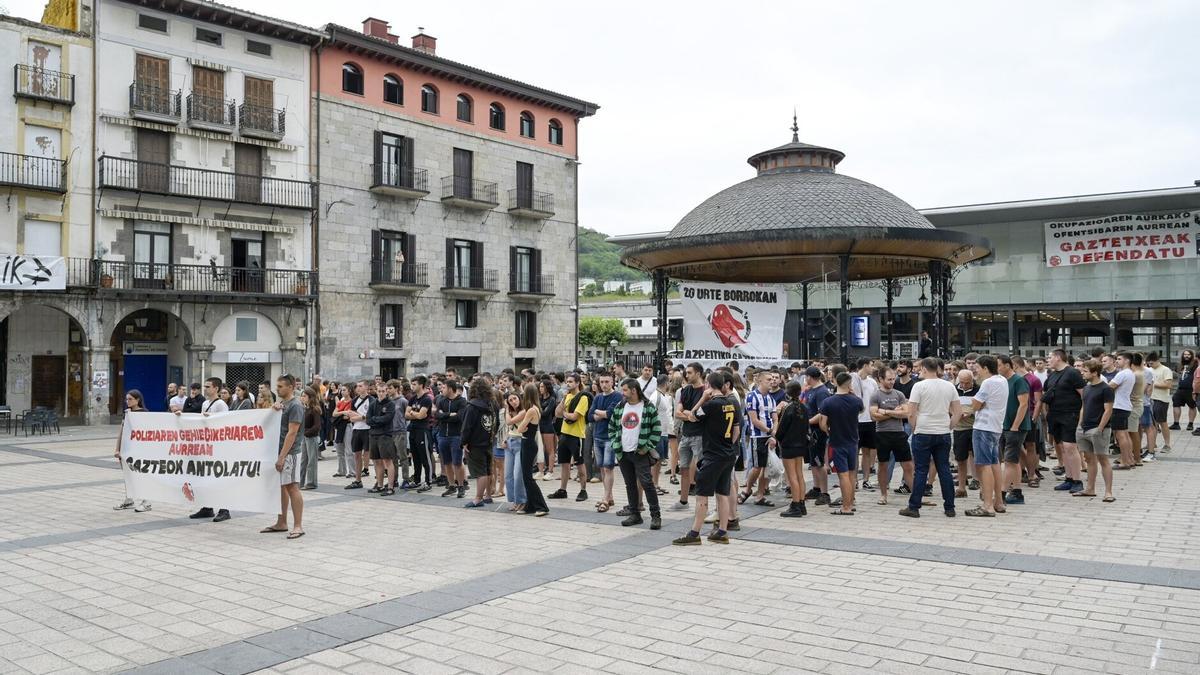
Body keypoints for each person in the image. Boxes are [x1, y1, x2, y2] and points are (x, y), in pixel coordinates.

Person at [673, 372, 742, 545]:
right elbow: (736, 430)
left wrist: (702, 399)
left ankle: (694, 533)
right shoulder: (731, 403)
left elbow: (692, 416)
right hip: (728, 453)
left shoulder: (711, 405)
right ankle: (722, 531)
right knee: (722, 493)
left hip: (712, 455)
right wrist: (728, 445)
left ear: (709, 386)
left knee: (702, 495)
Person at [900, 358, 963, 518]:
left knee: (921, 470)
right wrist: (949, 426)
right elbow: (958, 412)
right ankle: (950, 507)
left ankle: (914, 507)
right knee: (944, 469)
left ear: (924, 369)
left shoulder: (919, 386)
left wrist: (914, 428)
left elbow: (911, 412)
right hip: (942, 431)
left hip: (923, 430)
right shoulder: (949, 386)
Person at [608, 377, 662, 529]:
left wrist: (647, 447)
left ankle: (655, 515)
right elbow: (612, 427)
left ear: (634, 390)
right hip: (623, 453)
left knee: (647, 483)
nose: (622, 393)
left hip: (640, 452)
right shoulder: (620, 406)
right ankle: (635, 514)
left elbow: (657, 429)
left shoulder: (647, 407)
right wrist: (615, 444)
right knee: (629, 484)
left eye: (624, 390)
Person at [261, 374, 305, 539]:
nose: (277, 389)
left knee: (292, 486)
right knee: (283, 487)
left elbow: (292, 433)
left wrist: (282, 457)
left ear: (291, 387)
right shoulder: (283, 404)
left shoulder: (295, 405)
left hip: (290, 453)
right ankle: (282, 522)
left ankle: (298, 525)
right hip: (280, 451)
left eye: (280, 386)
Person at [185, 377, 231, 523]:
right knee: (205, 476)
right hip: (206, 445)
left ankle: (225, 509)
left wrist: (211, 419)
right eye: (205, 386)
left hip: (218, 446)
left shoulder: (221, 404)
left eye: (208, 386)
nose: (205, 389)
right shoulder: (205, 403)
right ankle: (207, 507)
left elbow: (224, 424)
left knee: (219, 477)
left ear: (216, 388)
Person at [967, 355, 1008, 517]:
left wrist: (976, 404)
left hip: (983, 426)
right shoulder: (1002, 380)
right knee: (994, 463)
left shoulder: (988, 382)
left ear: (985, 368)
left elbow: (975, 405)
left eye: (976, 367)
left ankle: (987, 505)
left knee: (984, 465)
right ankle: (998, 501)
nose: (974, 370)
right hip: (996, 426)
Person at [820, 372, 862, 515]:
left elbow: (823, 423)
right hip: (853, 441)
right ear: (850, 384)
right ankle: (850, 502)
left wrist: (829, 431)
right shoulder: (856, 401)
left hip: (837, 441)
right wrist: (853, 393)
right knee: (851, 474)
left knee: (842, 475)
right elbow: (861, 410)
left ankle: (846, 507)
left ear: (835, 382)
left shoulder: (828, 402)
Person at [1045, 348, 1086, 492]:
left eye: (1050, 357)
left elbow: (1084, 396)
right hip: (1055, 415)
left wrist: (1082, 416)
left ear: (1058, 357)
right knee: (1062, 447)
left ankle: (1077, 480)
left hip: (1070, 415)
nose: (1047, 360)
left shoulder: (1072, 373)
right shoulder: (1052, 375)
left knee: (1070, 447)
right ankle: (1068, 478)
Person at [870, 368, 911, 505]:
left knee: (908, 465)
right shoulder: (875, 395)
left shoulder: (899, 394)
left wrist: (886, 411)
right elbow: (874, 416)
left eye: (893, 379)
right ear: (881, 379)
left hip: (899, 433)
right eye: (889, 379)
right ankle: (883, 494)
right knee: (883, 465)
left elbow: (906, 413)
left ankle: (915, 494)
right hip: (882, 434)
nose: (892, 382)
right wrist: (895, 412)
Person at [1076, 360, 1116, 502]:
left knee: (1103, 459)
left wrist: (1100, 428)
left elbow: (1108, 410)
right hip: (1084, 428)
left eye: (1085, 371)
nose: (1082, 373)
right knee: (1089, 459)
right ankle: (1090, 489)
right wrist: (1080, 425)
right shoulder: (1086, 388)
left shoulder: (1106, 389)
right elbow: (1083, 407)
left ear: (1094, 372)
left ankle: (1108, 492)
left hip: (1099, 429)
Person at [995, 356, 1030, 506]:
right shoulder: (1002, 381)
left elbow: (1023, 404)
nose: (997, 368)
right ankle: (1017, 491)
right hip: (1004, 425)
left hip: (1015, 427)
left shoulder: (1019, 381)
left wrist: (1015, 425)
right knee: (1013, 461)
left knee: (1009, 461)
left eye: (999, 366)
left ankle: (1001, 494)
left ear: (1008, 366)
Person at [550, 373, 590, 502]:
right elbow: (557, 413)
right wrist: (563, 401)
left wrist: (564, 413)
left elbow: (574, 416)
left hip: (577, 435)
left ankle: (583, 490)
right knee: (564, 463)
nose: (568, 384)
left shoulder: (583, 398)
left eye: (571, 381)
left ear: (578, 383)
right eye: (567, 381)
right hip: (564, 433)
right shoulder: (567, 396)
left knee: (579, 463)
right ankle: (563, 490)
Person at [672, 363, 706, 512]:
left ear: (698, 373)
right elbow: (677, 413)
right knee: (684, 468)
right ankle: (683, 501)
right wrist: (690, 414)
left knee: (702, 470)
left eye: (690, 372)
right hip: (686, 435)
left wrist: (688, 413)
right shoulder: (685, 391)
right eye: (687, 373)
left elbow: (701, 416)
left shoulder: (706, 392)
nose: (687, 375)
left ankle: (703, 503)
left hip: (700, 435)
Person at [773, 380, 809, 517]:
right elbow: (806, 427)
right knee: (799, 474)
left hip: (789, 446)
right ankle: (801, 503)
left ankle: (795, 505)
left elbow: (780, 431)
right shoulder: (803, 408)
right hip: (801, 445)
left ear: (787, 393)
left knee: (792, 476)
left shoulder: (787, 408)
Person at [740, 371, 776, 506]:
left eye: (773, 379)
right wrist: (770, 431)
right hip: (758, 436)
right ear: (760, 381)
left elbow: (775, 418)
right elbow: (754, 420)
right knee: (757, 467)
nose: (772, 381)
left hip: (769, 436)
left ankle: (760, 495)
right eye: (768, 379)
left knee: (766, 467)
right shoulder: (752, 397)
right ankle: (747, 490)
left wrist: (773, 435)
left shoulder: (771, 398)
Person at [587, 373, 622, 512]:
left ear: (612, 381)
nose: (604, 384)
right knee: (601, 467)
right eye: (602, 382)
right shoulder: (598, 397)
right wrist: (601, 413)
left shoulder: (617, 396)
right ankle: (609, 496)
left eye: (607, 381)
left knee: (608, 467)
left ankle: (605, 499)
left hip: (610, 436)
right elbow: (589, 416)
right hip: (598, 436)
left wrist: (598, 412)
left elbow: (611, 413)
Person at [461, 378, 499, 508]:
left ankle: (478, 498)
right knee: (488, 470)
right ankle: (488, 496)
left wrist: (464, 442)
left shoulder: (471, 406)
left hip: (475, 443)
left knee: (480, 472)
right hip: (489, 441)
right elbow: (497, 423)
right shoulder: (493, 404)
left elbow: (467, 427)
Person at [113, 390, 151, 512]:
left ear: (137, 400)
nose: (127, 401)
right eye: (126, 399)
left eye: (130, 399)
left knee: (141, 474)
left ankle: (146, 501)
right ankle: (129, 499)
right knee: (128, 475)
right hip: (126, 448)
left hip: (139, 449)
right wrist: (117, 448)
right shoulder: (127, 413)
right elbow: (121, 431)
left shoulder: (144, 413)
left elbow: (147, 432)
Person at [515, 383, 548, 516]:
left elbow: (520, 428)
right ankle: (530, 505)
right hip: (527, 442)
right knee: (525, 476)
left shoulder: (531, 410)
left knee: (528, 477)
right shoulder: (535, 408)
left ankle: (541, 506)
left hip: (528, 443)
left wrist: (523, 426)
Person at [435, 379, 466, 497]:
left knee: (457, 462)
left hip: (456, 436)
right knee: (446, 462)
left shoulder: (461, 401)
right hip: (443, 435)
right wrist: (449, 414)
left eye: (444, 387)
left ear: (450, 389)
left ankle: (461, 486)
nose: (441, 390)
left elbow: (459, 417)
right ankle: (451, 485)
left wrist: (445, 416)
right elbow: (437, 415)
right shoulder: (441, 400)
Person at [851, 359, 878, 490]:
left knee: (867, 451)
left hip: (870, 420)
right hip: (856, 421)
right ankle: (854, 480)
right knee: (855, 451)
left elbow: (877, 399)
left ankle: (866, 479)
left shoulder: (872, 382)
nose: (873, 368)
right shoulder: (852, 380)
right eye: (871, 365)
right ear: (865, 366)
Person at [367, 381, 397, 496]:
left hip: (385, 435)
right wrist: (376, 420)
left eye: (383, 391)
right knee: (376, 461)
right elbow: (368, 420)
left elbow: (387, 419)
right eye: (379, 391)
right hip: (373, 435)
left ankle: (390, 486)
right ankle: (379, 485)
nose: (381, 393)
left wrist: (375, 419)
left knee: (387, 461)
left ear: (386, 391)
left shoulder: (390, 404)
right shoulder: (373, 404)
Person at [406, 376, 435, 491]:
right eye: (411, 384)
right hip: (412, 429)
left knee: (425, 456)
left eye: (414, 384)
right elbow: (406, 414)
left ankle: (428, 481)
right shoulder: (412, 399)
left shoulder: (426, 399)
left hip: (423, 430)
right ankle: (417, 479)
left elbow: (422, 415)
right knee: (415, 456)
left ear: (421, 385)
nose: (412, 386)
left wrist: (413, 413)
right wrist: (415, 414)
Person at [1107, 352, 1135, 471]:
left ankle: (1124, 461)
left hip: (1119, 406)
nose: (1116, 361)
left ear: (1127, 361)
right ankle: (1130, 459)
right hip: (1125, 405)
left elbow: (1109, 387)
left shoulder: (1122, 373)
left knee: (1120, 435)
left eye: (1119, 359)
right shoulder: (1130, 373)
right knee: (1125, 434)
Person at [952, 369, 978, 496]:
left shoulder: (978, 389)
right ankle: (962, 487)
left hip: (974, 427)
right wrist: (954, 413)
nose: (964, 385)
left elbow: (982, 405)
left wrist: (971, 412)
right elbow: (948, 405)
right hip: (959, 428)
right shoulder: (953, 389)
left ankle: (977, 480)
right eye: (961, 382)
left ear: (972, 380)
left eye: (967, 383)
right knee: (960, 459)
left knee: (977, 457)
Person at [343, 381, 372, 489]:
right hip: (356, 429)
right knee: (357, 454)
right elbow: (350, 416)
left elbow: (370, 417)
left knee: (368, 453)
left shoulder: (371, 400)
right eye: (357, 386)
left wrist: (361, 417)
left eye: (361, 386)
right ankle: (358, 479)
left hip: (367, 429)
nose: (358, 388)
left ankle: (369, 472)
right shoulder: (355, 400)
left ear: (366, 387)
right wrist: (362, 417)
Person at [1146, 352, 1172, 458]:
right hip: (1150, 399)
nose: (1150, 365)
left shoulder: (1165, 370)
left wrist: (1153, 384)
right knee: (1152, 424)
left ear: (1157, 361)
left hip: (1161, 399)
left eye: (1152, 363)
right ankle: (1152, 443)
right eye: (1149, 363)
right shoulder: (1149, 370)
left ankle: (1167, 444)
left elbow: (1168, 385)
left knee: (1162, 422)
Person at [503, 391, 527, 511]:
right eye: (510, 400)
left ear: (519, 398)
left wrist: (507, 410)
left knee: (518, 475)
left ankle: (522, 500)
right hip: (510, 442)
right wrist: (505, 439)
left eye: (515, 399)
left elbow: (509, 422)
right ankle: (514, 500)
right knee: (508, 475)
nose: (513, 402)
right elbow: (508, 427)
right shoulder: (511, 412)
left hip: (520, 442)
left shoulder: (524, 411)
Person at [299, 386, 323, 490]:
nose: (302, 398)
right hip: (304, 437)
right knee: (303, 461)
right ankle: (300, 482)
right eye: (302, 396)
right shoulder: (305, 409)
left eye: (304, 396)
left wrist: (306, 433)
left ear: (310, 397)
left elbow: (317, 426)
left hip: (312, 438)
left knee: (311, 461)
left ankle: (311, 483)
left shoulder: (315, 409)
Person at [389, 380, 411, 489]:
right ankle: (394, 479)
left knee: (403, 457)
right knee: (393, 458)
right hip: (390, 432)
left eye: (390, 388)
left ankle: (406, 479)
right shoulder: (388, 401)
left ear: (396, 388)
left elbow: (406, 415)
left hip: (400, 431)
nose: (388, 390)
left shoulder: (403, 401)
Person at [331, 384, 353, 478]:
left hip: (347, 426)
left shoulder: (352, 402)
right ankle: (341, 470)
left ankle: (352, 471)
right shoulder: (340, 401)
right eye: (341, 390)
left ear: (349, 391)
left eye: (344, 390)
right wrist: (343, 413)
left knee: (349, 450)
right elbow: (334, 413)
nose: (342, 392)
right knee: (339, 450)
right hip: (339, 427)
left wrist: (341, 414)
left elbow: (348, 416)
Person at [537, 379, 558, 480]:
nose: (540, 389)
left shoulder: (552, 399)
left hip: (548, 426)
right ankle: (541, 470)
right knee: (541, 449)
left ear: (547, 387)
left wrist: (537, 411)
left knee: (550, 449)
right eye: (540, 387)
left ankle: (550, 471)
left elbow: (545, 413)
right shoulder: (540, 399)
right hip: (539, 425)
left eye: (542, 387)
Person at [1171, 349, 1196, 431]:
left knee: (1192, 406)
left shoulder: (1195, 365)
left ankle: (1190, 424)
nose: (1186, 356)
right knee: (1175, 403)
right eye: (1185, 354)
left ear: (1192, 355)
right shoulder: (1179, 365)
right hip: (1180, 389)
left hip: (1191, 389)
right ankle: (1176, 424)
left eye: (1188, 354)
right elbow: (1175, 374)